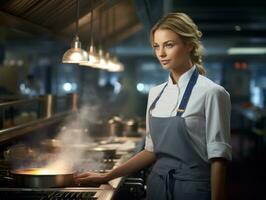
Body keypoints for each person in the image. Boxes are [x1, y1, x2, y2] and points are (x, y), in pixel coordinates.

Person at [74, 12, 231, 200]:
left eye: (169, 45)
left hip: (192, 191)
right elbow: (151, 150)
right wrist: (108, 175)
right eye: (156, 46)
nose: (161, 54)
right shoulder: (156, 93)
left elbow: (219, 159)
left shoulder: (212, 93)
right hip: (156, 188)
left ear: (189, 44)